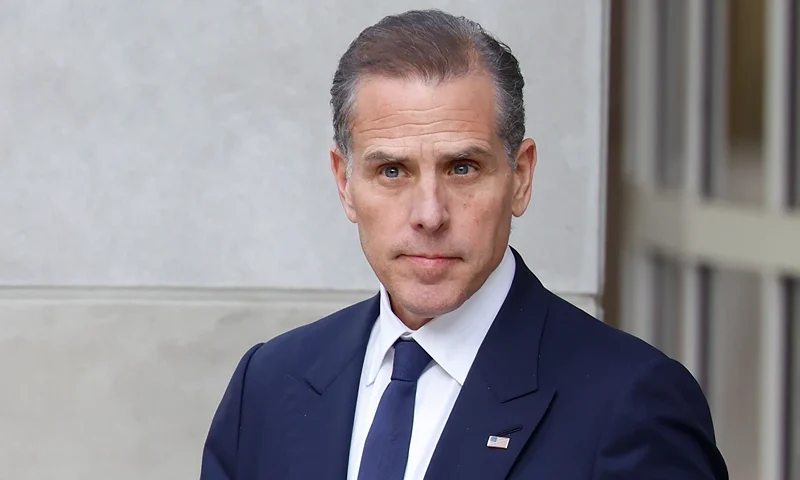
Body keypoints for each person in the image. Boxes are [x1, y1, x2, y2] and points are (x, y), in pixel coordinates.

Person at [200, 9, 728, 480]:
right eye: (391, 170)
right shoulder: (269, 383)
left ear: (520, 177)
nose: (429, 214)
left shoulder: (630, 403)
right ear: (345, 184)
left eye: (462, 167)